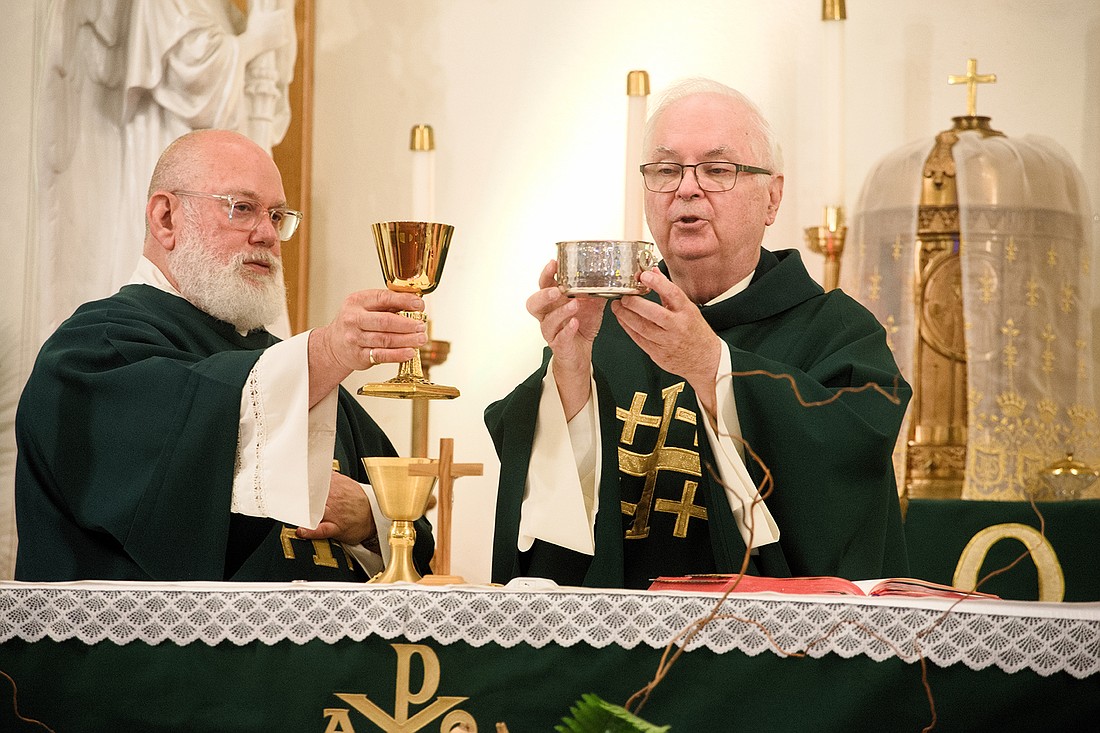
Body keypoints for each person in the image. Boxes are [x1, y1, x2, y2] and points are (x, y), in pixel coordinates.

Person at [486, 78, 911, 590]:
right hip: (623, 647)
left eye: (717, 169)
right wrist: (571, 377)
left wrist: (714, 368)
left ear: (772, 198)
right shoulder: (609, 329)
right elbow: (550, 528)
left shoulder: (837, 331)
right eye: (666, 171)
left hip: (773, 650)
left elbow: (849, 473)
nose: (687, 188)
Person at [14, 129, 433, 582]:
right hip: (163, 650)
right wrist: (328, 351)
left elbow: (410, 524)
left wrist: (369, 516)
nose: (268, 235)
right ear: (166, 218)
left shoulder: (285, 362)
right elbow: (185, 449)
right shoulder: (94, 349)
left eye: (277, 215)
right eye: (243, 208)